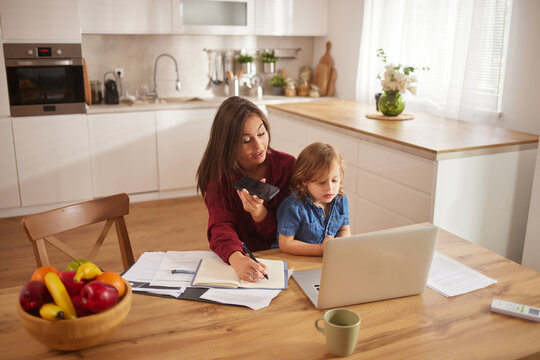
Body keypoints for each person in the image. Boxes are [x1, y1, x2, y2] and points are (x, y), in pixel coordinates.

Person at [196, 96, 295, 282]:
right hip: (245, 257)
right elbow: (220, 226)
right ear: (228, 144)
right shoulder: (218, 176)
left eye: (261, 134)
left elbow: (289, 226)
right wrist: (238, 259)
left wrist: (260, 213)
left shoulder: (287, 166)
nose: (259, 146)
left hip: (287, 255)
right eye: (246, 140)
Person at [275, 142, 351, 256]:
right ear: (305, 180)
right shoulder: (293, 206)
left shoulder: (340, 199)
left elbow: (343, 230)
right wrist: (320, 249)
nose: (330, 188)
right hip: (295, 260)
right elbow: (285, 244)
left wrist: (342, 246)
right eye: (322, 182)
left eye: (335, 180)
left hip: (325, 260)